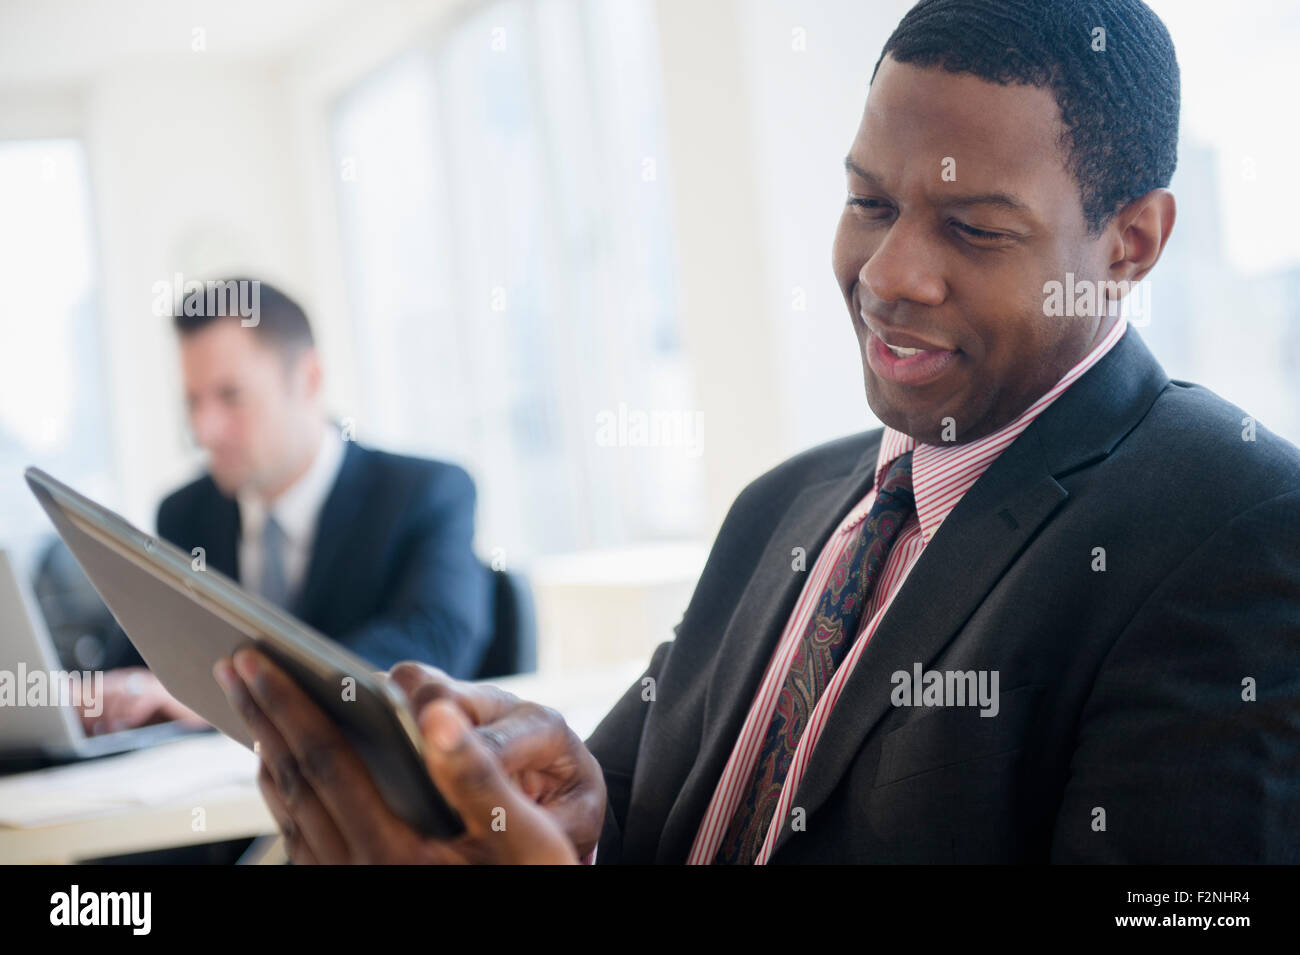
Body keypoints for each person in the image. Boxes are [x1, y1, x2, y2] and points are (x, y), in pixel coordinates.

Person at [218, 0, 1300, 864]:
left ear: (1133, 242)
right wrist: (538, 813)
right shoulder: (783, 507)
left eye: (973, 227)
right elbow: (634, 813)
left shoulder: (1233, 525)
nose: (886, 276)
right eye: (869, 203)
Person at [82, 280, 493, 735]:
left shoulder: (424, 493)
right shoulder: (185, 514)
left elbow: (430, 646)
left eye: (231, 396)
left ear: (309, 379)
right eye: (193, 402)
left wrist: (222, 697)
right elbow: (135, 664)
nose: (205, 430)